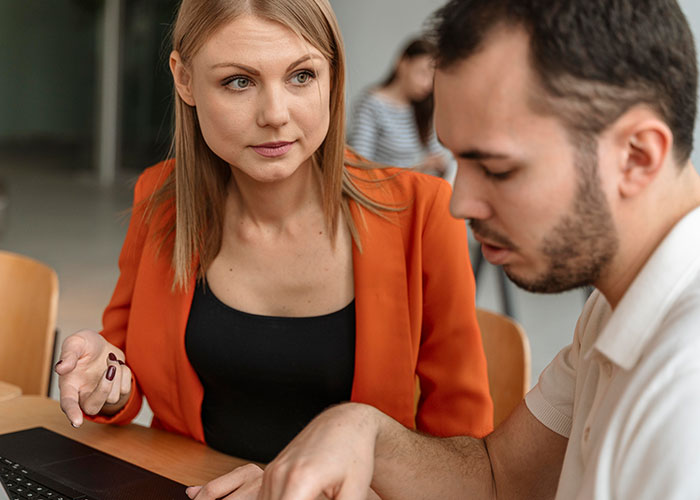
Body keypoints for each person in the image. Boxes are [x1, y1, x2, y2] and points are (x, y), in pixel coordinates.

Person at [190, 0, 700, 498]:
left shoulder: (685, 385)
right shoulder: (614, 309)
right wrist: (358, 429)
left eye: (498, 169)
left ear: (637, 156)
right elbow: (499, 479)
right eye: (459, 162)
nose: (461, 204)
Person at [53, 0, 493, 468]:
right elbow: (127, 380)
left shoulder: (422, 215)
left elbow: (462, 455)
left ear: (332, 74)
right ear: (185, 79)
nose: (275, 114)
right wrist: (104, 378)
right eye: (238, 81)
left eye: (301, 75)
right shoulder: (162, 199)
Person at [347, 38, 452, 179]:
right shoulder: (371, 105)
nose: (427, 84)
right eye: (422, 73)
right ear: (402, 63)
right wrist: (419, 166)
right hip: (380, 191)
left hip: (412, 188)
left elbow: (435, 153)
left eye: (432, 79)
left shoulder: (421, 107)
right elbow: (359, 165)